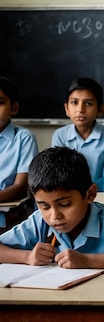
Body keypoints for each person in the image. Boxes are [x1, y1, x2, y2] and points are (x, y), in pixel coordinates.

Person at [0, 147, 104, 268]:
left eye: (65, 204)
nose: (54, 216)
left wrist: (87, 261)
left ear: (90, 194)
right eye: (44, 206)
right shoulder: (39, 222)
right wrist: (27, 257)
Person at [52, 77, 104, 192]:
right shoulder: (60, 135)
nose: (80, 109)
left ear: (100, 109)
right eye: (74, 102)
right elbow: (58, 174)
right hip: (70, 197)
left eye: (88, 103)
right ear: (66, 108)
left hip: (102, 197)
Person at [0, 77, 39, 228]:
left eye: (0, 102)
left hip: (8, 217)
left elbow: (21, 186)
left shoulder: (24, 138)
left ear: (14, 108)